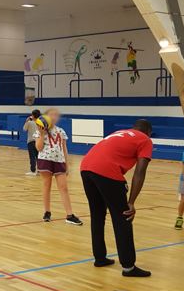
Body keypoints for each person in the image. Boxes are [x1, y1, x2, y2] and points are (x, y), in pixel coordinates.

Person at [79, 119, 154, 277]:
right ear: (149, 132)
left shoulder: (119, 133)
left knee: (97, 215)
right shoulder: (145, 139)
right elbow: (140, 172)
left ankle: (100, 258)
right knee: (123, 217)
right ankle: (128, 267)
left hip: (85, 166)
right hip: (106, 170)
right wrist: (131, 202)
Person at [35, 108, 82, 225]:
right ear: (46, 116)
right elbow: (38, 148)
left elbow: (64, 148)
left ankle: (69, 215)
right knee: (47, 186)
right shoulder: (39, 130)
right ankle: (47, 212)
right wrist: (42, 134)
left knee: (64, 187)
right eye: (51, 114)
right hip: (45, 160)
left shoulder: (61, 131)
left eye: (56, 115)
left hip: (59, 161)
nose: (54, 117)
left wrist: (67, 164)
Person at [23, 109, 41, 175]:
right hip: (39, 141)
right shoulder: (41, 122)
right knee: (39, 156)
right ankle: (39, 170)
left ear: (33, 115)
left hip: (31, 141)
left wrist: (26, 121)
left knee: (32, 157)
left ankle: (32, 171)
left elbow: (24, 129)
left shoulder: (29, 122)